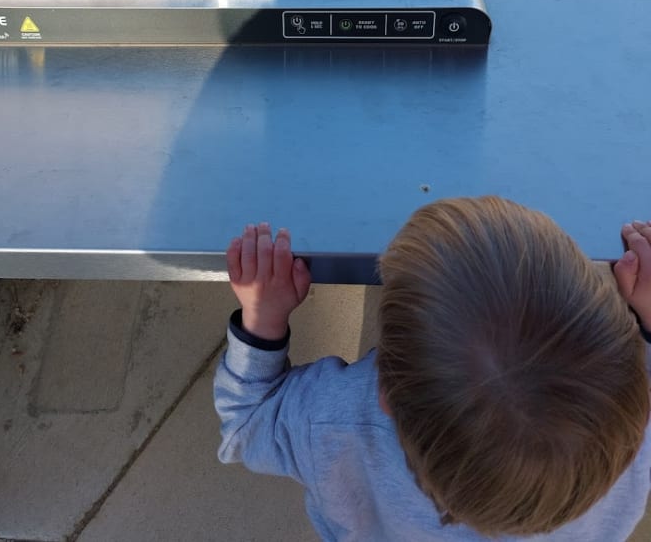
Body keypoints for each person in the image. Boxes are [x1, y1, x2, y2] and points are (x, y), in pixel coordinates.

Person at [214, 198, 651, 541]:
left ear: (384, 392)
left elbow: (247, 423)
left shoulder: (337, 421)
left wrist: (263, 318)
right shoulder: (628, 441)